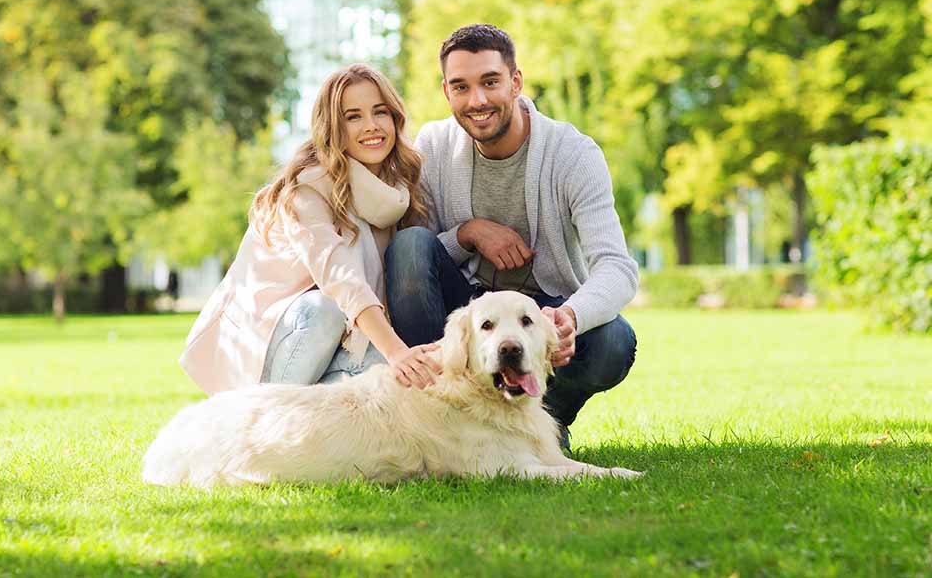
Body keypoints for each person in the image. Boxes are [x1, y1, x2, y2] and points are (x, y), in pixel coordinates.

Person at [385, 24, 639, 450]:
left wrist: (570, 318)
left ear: (516, 82)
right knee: (409, 246)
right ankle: (435, 418)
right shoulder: (433, 145)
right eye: (461, 87)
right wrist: (467, 234)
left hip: (543, 311)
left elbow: (617, 267)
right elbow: (414, 257)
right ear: (446, 92)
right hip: (465, 310)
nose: (477, 101)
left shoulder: (574, 156)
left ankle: (543, 427)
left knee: (615, 340)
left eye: (490, 82)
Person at [180, 64, 442, 396]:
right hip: (268, 336)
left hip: (341, 338)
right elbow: (339, 276)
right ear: (333, 127)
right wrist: (397, 352)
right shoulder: (308, 187)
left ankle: (304, 426)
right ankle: (263, 421)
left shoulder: (398, 192)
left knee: (388, 374)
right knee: (326, 310)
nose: (372, 126)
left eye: (380, 112)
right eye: (353, 116)